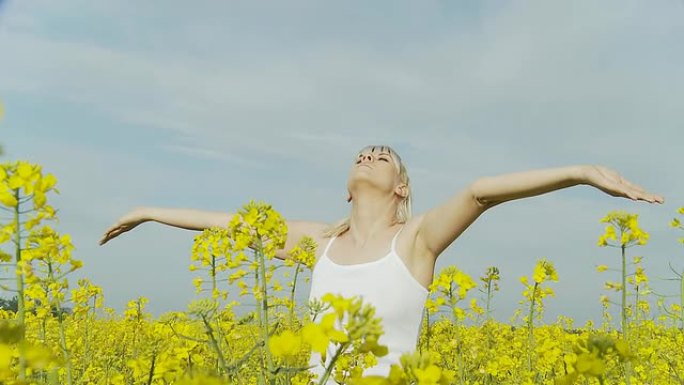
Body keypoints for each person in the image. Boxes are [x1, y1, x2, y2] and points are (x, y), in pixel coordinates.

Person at [99, 144, 664, 380]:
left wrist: (580, 173)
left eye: (385, 155)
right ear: (349, 188)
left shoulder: (416, 241)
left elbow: (480, 192)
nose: (371, 153)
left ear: (401, 188)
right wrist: (150, 211)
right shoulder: (318, 240)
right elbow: (230, 224)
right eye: (363, 153)